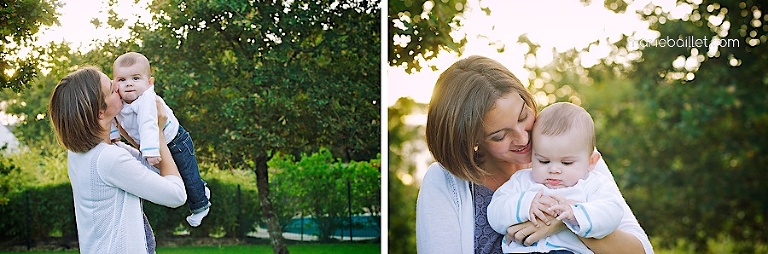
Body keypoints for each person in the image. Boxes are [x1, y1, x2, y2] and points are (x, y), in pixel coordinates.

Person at [416, 55, 654, 254]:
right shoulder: (446, 182)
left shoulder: (574, 157)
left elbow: (640, 249)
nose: (523, 138)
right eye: (499, 136)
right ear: (471, 140)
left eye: (523, 117)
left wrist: (563, 223)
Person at [48, 67, 187, 253]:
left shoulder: (83, 153)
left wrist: (132, 135)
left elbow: (152, 168)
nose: (120, 87)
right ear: (100, 112)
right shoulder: (109, 158)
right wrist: (158, 133)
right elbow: (176, 195)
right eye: (112, 89)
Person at [487, 102, 625, 253]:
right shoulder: (522, 181)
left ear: (591, 161)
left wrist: (576, 214)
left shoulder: (594, 184)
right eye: (543, 161)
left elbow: (612, 212)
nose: (554, 170)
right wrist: (526, 203)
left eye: (566, 163)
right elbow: (495, 212)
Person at [110, 52, 211, 227]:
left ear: (149, 83)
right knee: (175, 174)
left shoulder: (146, 99)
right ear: (114, 83)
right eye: (122, 80)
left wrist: (149, 151)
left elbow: (149, 124)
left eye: (135, 78)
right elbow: (113, 117)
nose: (129, 84)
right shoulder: (119, 100)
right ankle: (201, 189)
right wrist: (113, 135)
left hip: (175, 141)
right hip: (154, 143)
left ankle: (200, 206)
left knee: (186, 172)